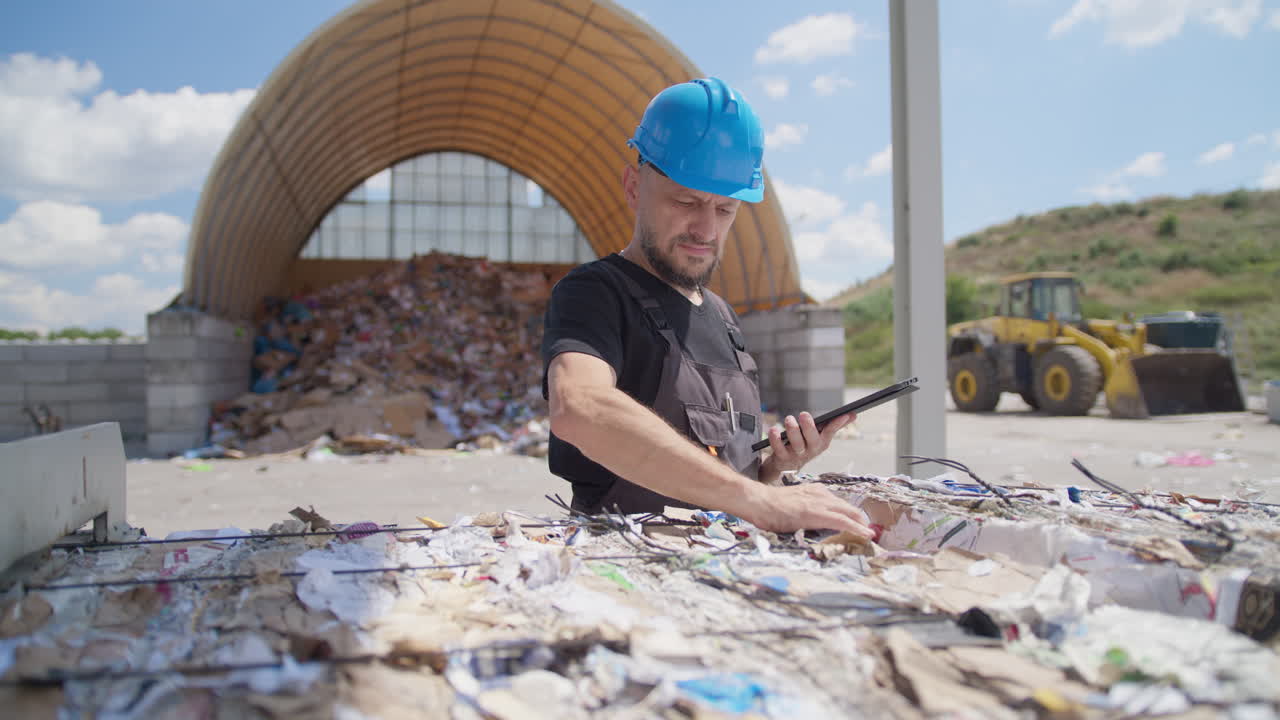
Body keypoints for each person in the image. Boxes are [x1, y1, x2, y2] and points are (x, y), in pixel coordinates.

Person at [541, 77, 874, 537]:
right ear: (634, 186)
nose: (706, 230)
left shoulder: (723, 317)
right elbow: (579, 405)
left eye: (724, 210)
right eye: (686, 201)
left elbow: (725, 483)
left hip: (725, 559)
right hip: (629, 566)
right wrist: (761, 501)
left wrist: (772, 469)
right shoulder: (596, 292)